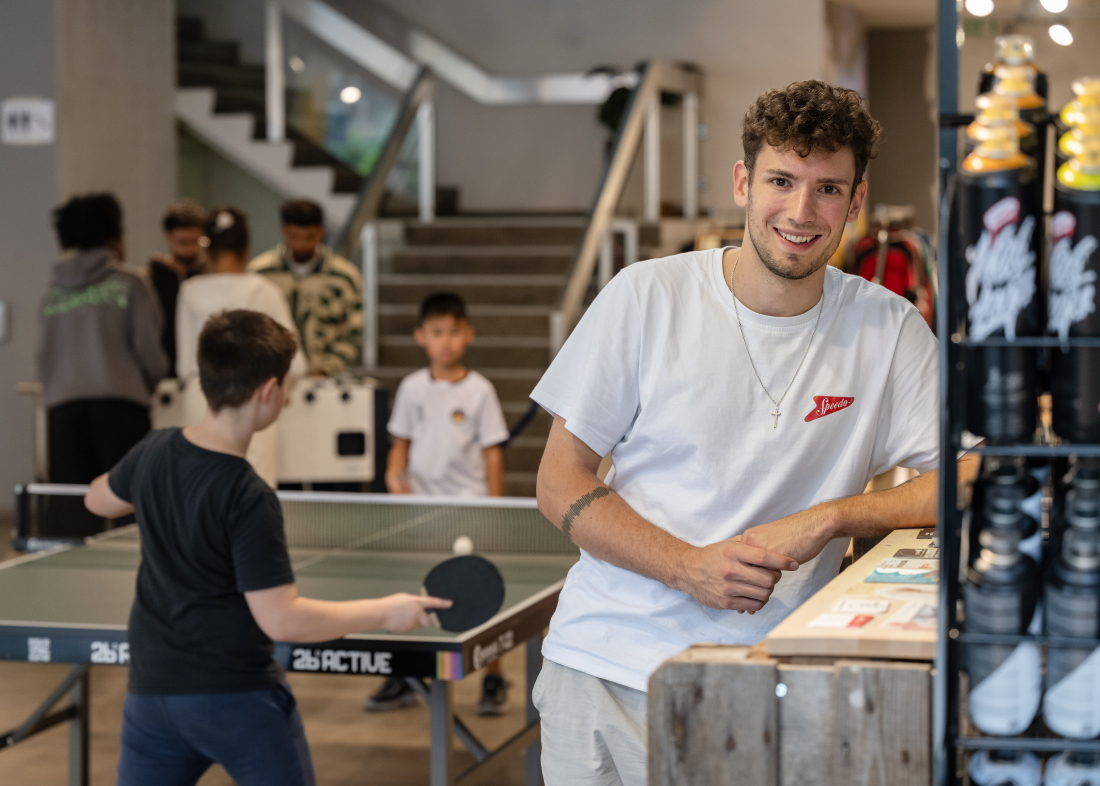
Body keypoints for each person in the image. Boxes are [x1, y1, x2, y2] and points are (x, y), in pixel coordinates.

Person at [530, 80, 978, 785]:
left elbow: (975, 471)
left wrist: (833, 517)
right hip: (609, 672)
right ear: (744, 181)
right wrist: (686, 566)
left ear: (856, 202)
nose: (801, 211)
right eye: (781, 180)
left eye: (828, 189)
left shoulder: (887, 329)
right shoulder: (646, 296)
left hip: (776, 682)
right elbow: (559, 483)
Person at [84, 309, 451, 786]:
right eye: (288, 388)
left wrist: (144, 482)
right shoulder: (246, 494)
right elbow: (281, 619)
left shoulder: (154, 449)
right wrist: (386, 611)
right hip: (234, 700)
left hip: (151, 696)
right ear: (268, 393)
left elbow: (97, 500)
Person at [365, 292, 511, 715]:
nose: (445, 341)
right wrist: (394, 474)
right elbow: (400, 444)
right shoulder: (412, 388)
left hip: (471, 508)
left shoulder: (481, 391)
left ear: (468, 335)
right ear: (420, 337)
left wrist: (496, 508)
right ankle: (407, 675)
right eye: (436, 333)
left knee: (481, 592)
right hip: (421, 510)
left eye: (453, 332)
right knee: (414, 589)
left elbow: (493, 453)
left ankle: (494, 676)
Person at [38, 193, 168, 537]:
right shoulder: (131, 283)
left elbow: (43, 357)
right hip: (120, 411)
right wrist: (151, 382)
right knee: (130, 511)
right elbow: (149, 351)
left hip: (63, 414)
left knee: (70, 516)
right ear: (114, 237)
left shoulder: (53, 294)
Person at [175, 206, 307, 487]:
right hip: (253, 404)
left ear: (206, 250)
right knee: (250, 492)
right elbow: (296, 363)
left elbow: (184, 364)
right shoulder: (264, 290)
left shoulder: (188, 291)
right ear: (246, 248)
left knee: (200, 488)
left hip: (200, 403)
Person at [247, 199, 362, 376]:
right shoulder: (260, 273)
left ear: (321, 233)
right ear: (283, 231)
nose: (301, 244)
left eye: (310, 237)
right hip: (270, 377)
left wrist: (325, 369)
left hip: (325, 379)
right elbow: (250, 328)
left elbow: (353, 331)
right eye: (294, 237)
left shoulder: (344, 277)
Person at [148, 199, 208, 376]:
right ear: (168, 237)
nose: (190, 249)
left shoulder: (208, 276)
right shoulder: (151, 278)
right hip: (164, 373)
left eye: (196, 241)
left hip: (203, 372)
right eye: (183, 242)